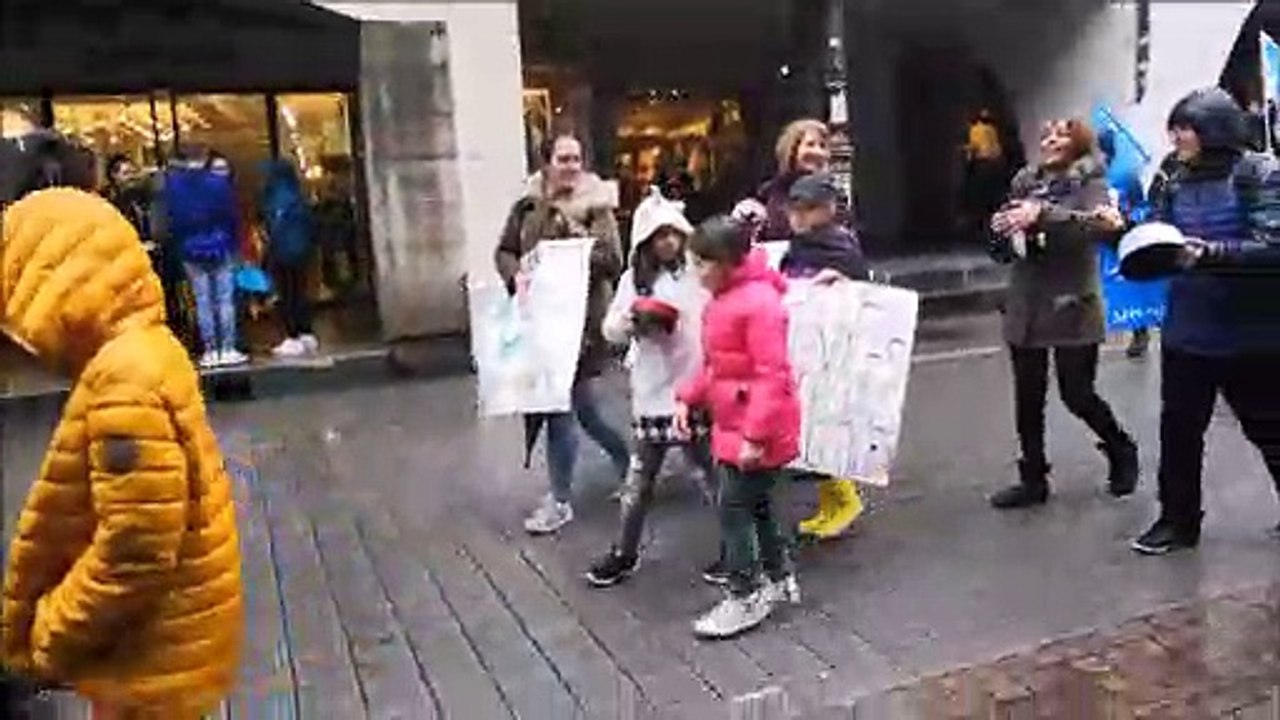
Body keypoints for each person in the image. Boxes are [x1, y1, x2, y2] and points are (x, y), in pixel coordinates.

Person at [0, 187, 244, 717]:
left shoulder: (123, 381)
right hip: (171, 648)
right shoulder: (150, 348)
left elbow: (136, 548)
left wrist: (47, 637)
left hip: (150, 661)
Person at [1129, 88, 1280, 555]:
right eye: (1173, 128)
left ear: (1215, 130)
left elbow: (1273, 245)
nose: (1177, 137)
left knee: (1270, 428)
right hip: (1188, 328)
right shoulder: (1172, 176)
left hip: (1252, 330)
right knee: (1178, 430)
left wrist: (1210, 252)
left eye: (1186, 127)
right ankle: (1177, 521)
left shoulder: (1259, 173)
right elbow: (1155, 230)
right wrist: (1124, 231)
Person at [987, 118, 1140, 509]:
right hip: (1027, 297)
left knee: (1077, 392)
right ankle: (1033, 478)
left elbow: (1098, 228)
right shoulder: (1025, 180)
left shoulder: (1092, 182)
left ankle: (1121, 447)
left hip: (1072, 298)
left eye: (1061, 135)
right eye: (1046, 135)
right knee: (1027, 394)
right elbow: (1011, 231)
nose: (1051, 140)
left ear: (1079, 143)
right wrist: (1000, 230)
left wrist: (1043, 214)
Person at [729, 118, 866, 545]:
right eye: (808, 143)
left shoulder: (832, 201)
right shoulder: (774, 193)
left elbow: (846, 251)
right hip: (789, 299)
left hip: (820, 302)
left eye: (821, 144)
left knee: (822, 405)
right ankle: (831, 494)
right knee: (801, 404)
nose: (816, 150)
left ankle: (843, 496)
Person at [496, 134, 630, 535]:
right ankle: (629, 462)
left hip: (582, 327)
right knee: (581, 411)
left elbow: (613, 260)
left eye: (576, 158)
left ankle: (559, 500)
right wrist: (514, 274)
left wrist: (575, 244)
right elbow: (504, 250)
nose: (571, 165)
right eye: (563, 158)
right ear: (547, 163)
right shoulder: (526, 205)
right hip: (539, 324)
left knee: (560, 412)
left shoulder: (595, 207)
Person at [677, 216, 802, 640]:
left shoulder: (758, 305)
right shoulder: (725, 301)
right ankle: (778, 576)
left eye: (701, 264)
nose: (696, 273)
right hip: (737, 423)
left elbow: (772, 374)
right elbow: (720, 365)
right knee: (758, 505)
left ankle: (746, 591)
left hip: (754, 429)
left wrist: (755, 435)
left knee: (733, 507)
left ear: (726, 262)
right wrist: (689, 396)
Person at [586, 188, 716, 587]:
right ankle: (624, 552)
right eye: (660, 236)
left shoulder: (697, 273)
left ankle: (738, 547)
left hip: (692, 387)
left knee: (711, 476)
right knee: (640, 480)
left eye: (674, 234)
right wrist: (632, 322)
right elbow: (611, 328)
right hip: (652, 392)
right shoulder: (633, 281)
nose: (669, 243)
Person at [164, 147, 246, 368]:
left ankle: (210, 350)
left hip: (190, 249)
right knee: (224, 299)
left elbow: (172, 220)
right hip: (220, 246)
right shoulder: (218, 184)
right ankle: (227, 348)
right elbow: (231, 216)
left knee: (202, 300)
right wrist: (234, 242)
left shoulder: (174, 187)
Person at [261, 159, 319, 358]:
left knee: (287, 294)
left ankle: (292, 336)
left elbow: (274, 227)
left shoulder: (276, 197)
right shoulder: (297, 193)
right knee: (300, 292)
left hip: (283, 252)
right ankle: (306, 332)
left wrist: (269, 251)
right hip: (301, 250)